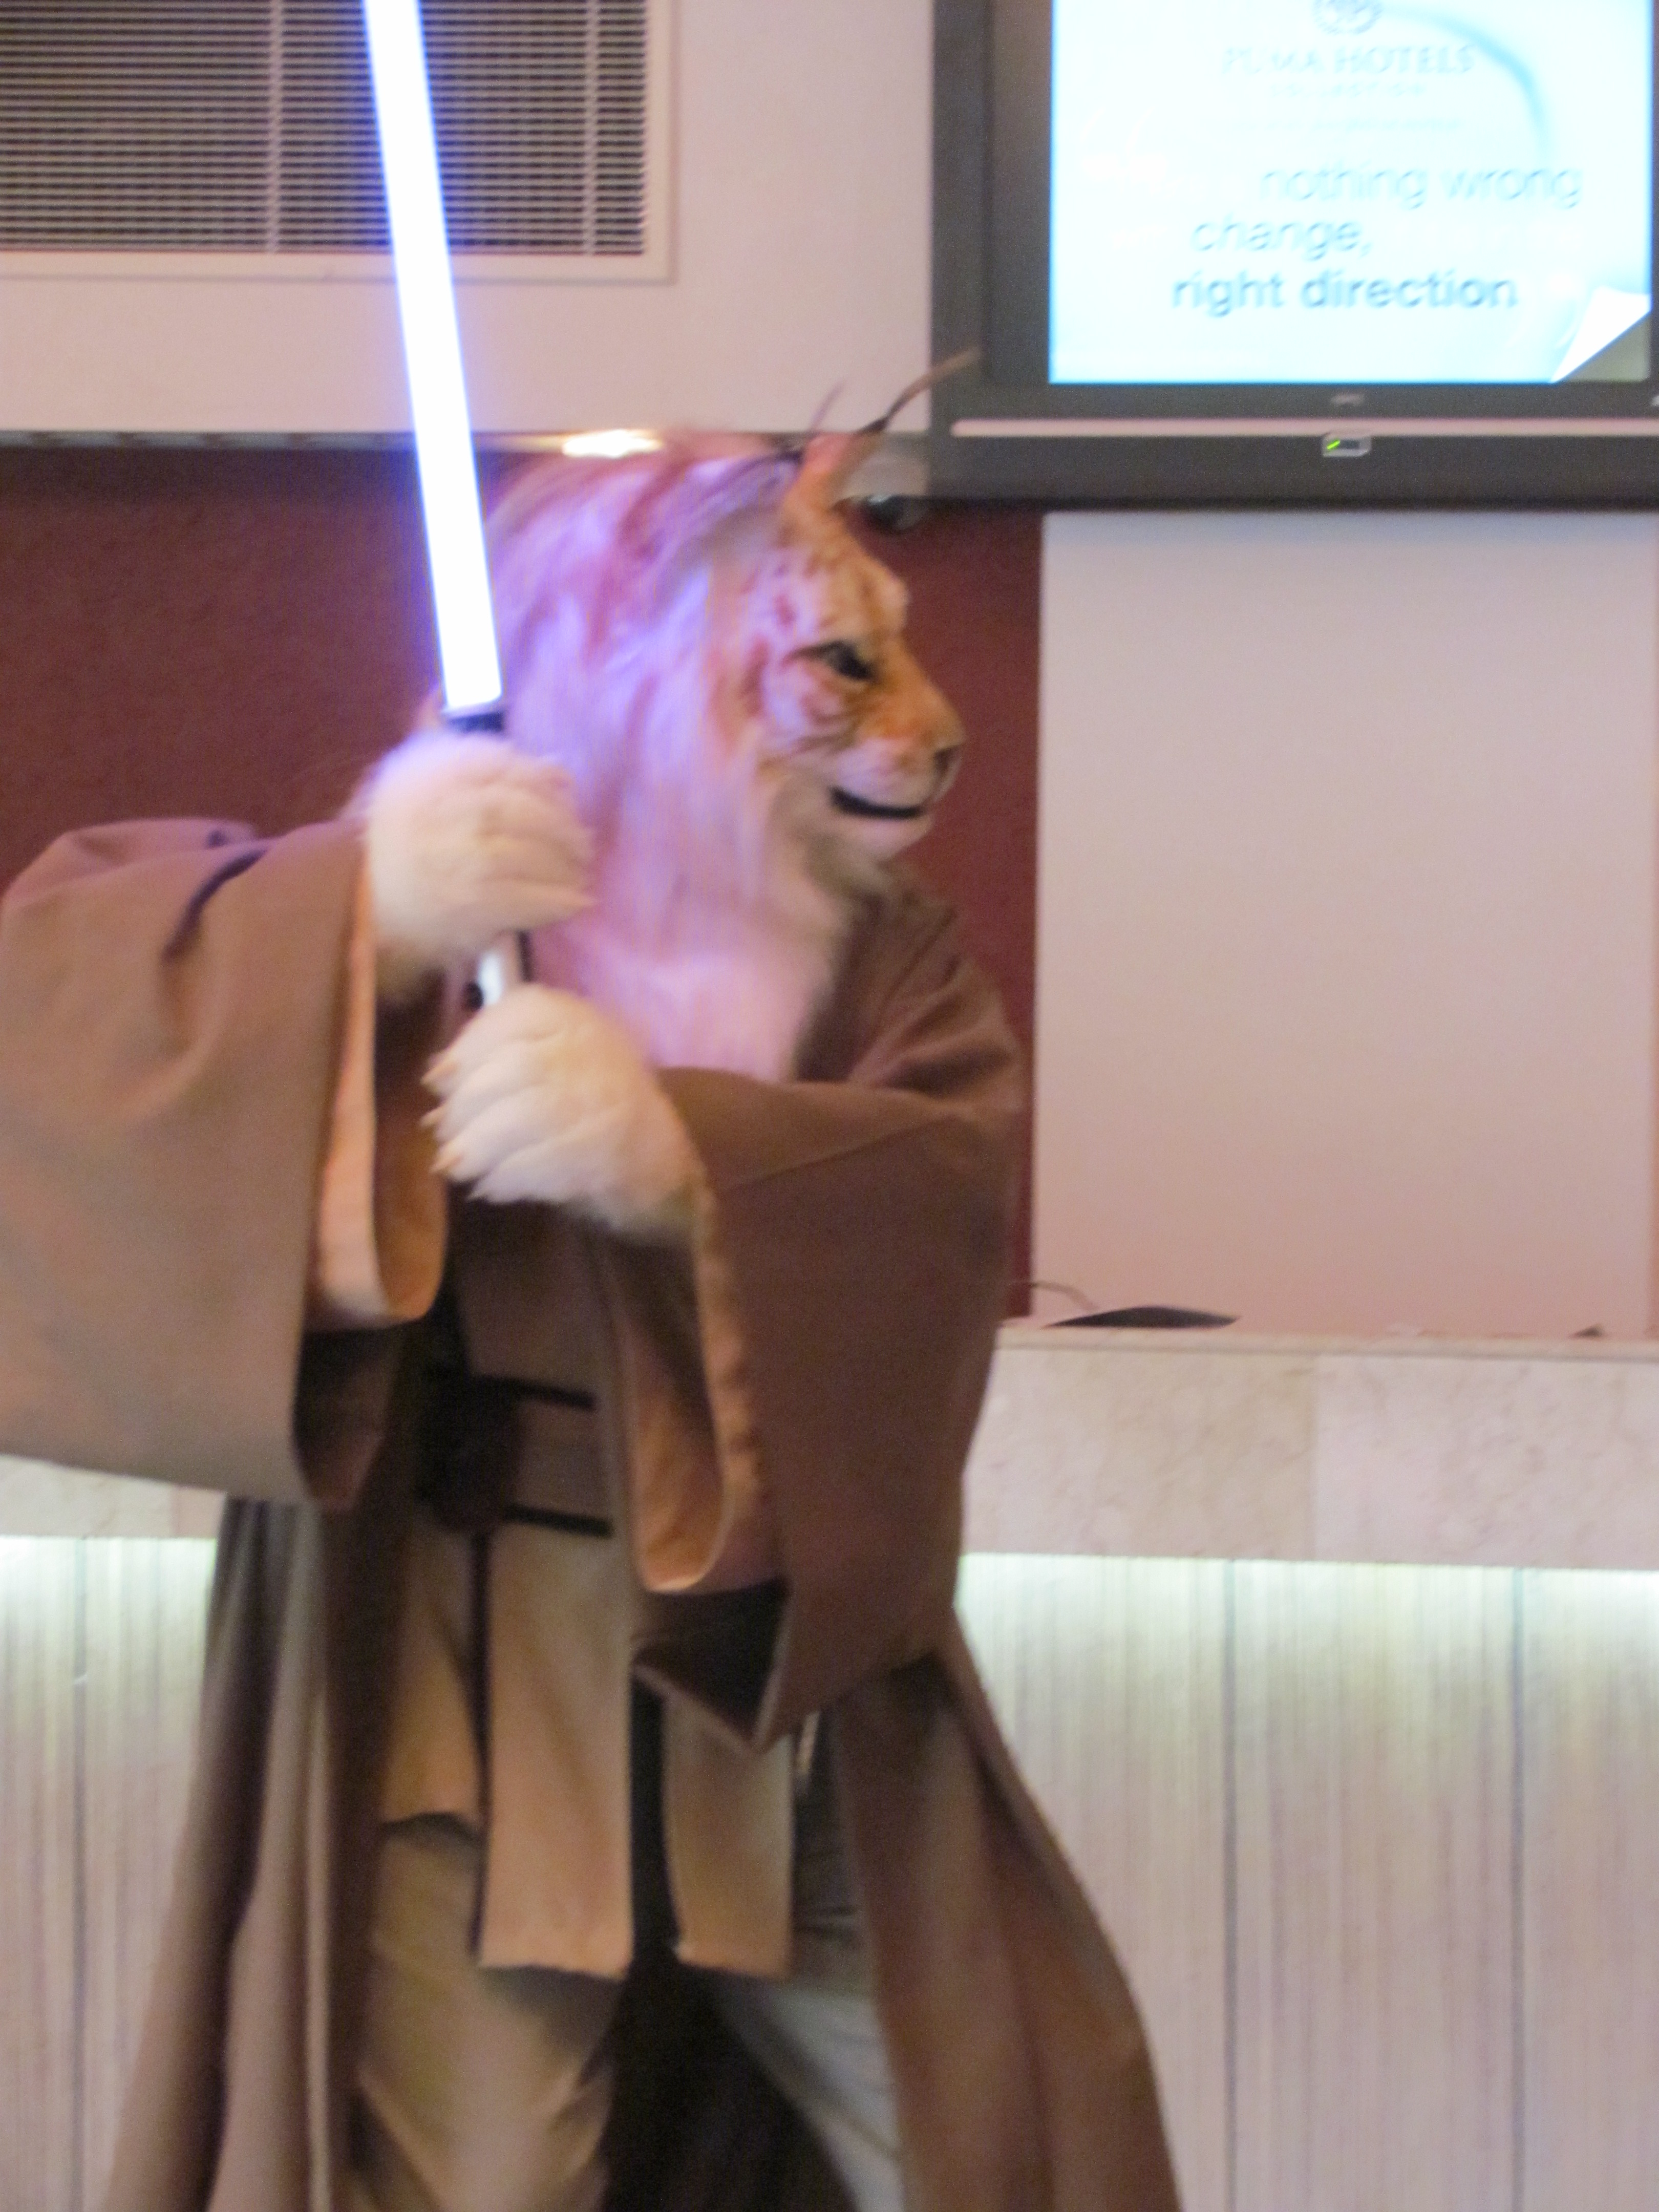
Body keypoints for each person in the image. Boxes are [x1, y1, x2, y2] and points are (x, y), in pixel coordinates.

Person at [0, 432, 1180, 2212]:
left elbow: (939, 1199)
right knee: (479, 2175)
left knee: (992, 2128)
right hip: (462, 1660)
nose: (931, 728)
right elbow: (67, 1023)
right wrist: (366, 920)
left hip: (775, 1662)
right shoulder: (451, 884)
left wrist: (687, 1160)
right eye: (842, 663)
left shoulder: (887, 959)